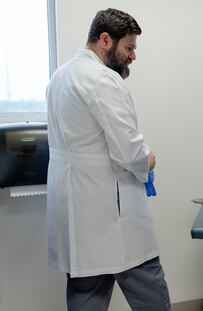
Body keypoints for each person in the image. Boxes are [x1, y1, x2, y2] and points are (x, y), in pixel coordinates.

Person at [46, 8, 170, 311]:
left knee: (86, 292)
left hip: (76, 213)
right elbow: (129, 150)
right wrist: (149, 159)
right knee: (151, 292)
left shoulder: (60, 77)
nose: (132, 56)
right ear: (105, 40)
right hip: (110, 214)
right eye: (129, 47)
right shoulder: (103, 80)